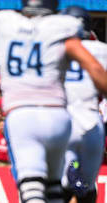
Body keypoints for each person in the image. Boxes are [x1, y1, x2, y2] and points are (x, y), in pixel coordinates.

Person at [0, 0, 107, 202]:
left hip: (22, 115)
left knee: (32, 190)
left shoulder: (7, 26)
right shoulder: (63, 32)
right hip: (60, 116)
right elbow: (95, 69)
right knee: (59, 189)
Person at [60, 6, 107, 202]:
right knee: (87, 187)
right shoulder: (102, 50)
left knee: (61, 186)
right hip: (91, 121)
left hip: (61, 122)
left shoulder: (52, 49)